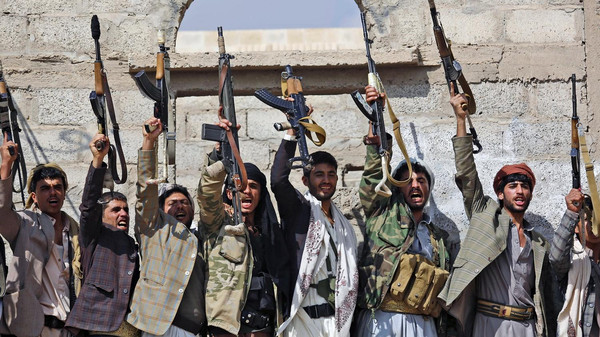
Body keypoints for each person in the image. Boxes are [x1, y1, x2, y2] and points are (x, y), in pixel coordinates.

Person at [437, 84, 558, 336]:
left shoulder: (538, 242)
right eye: (512, 186)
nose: (520, 191)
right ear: (501, 194)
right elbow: (466, 173)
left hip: (527, 327)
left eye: (524, 186)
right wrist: (461, 119)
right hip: (489, 324)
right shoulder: (485, 215)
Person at [353, 86, 453, 337]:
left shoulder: (438, 237)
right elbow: (373, 174)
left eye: (421, 180)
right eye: (407, 180)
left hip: (422, 324)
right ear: (397, 187)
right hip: (383, 320)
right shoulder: (381, 213)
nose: (415, 185)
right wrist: (376, 115)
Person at [198, 120, 290, 337]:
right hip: (229, 329)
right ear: (230, 193)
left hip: (266, 329)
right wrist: (223, 153)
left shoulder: (269, 233)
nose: (247, 192)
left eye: (254, 187)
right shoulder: (219, 225)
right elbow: (208, 190)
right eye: (241, 186)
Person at [271, 124, 358, 337]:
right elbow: (278, 181)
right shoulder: (300, 212)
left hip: (338, 323)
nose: (326, 180)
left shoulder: (344, 226)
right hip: (304, 320)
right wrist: (292, 134)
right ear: (305, 180)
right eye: (319, 174)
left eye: (331, 174)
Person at [126, 117, 207, 337]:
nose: (180, 206)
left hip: (194, 331)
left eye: (185, 202)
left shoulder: (200, 240)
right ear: (160, 209)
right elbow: (146, 190)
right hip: (157, 328)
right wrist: (149, 142)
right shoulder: (153, 229)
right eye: (173, 203)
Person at [0, 134, 81, 337]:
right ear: (34, 197)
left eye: (57, 187)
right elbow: (1, 212)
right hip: (31, 327)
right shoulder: (25, 224)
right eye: (45, 188)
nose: (52, 193)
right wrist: (6, 164)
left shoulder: (75, 231)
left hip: (67, 329)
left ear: (64, 192)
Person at [65, 134, 139, 337]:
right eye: (115, 210)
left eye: (126, 210)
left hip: (129, 329)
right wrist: (98, 161)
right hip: (97, 325)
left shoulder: (133, 245)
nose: (123, 213)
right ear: (102, 216)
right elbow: (89, 206)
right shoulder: (94, 236)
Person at [550, 190, 600, 336]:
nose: (591, 224)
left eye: (595, 219)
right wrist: (572, 212)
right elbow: (556, 257)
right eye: (585, 219)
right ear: (576, 227)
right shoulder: (573, 260)